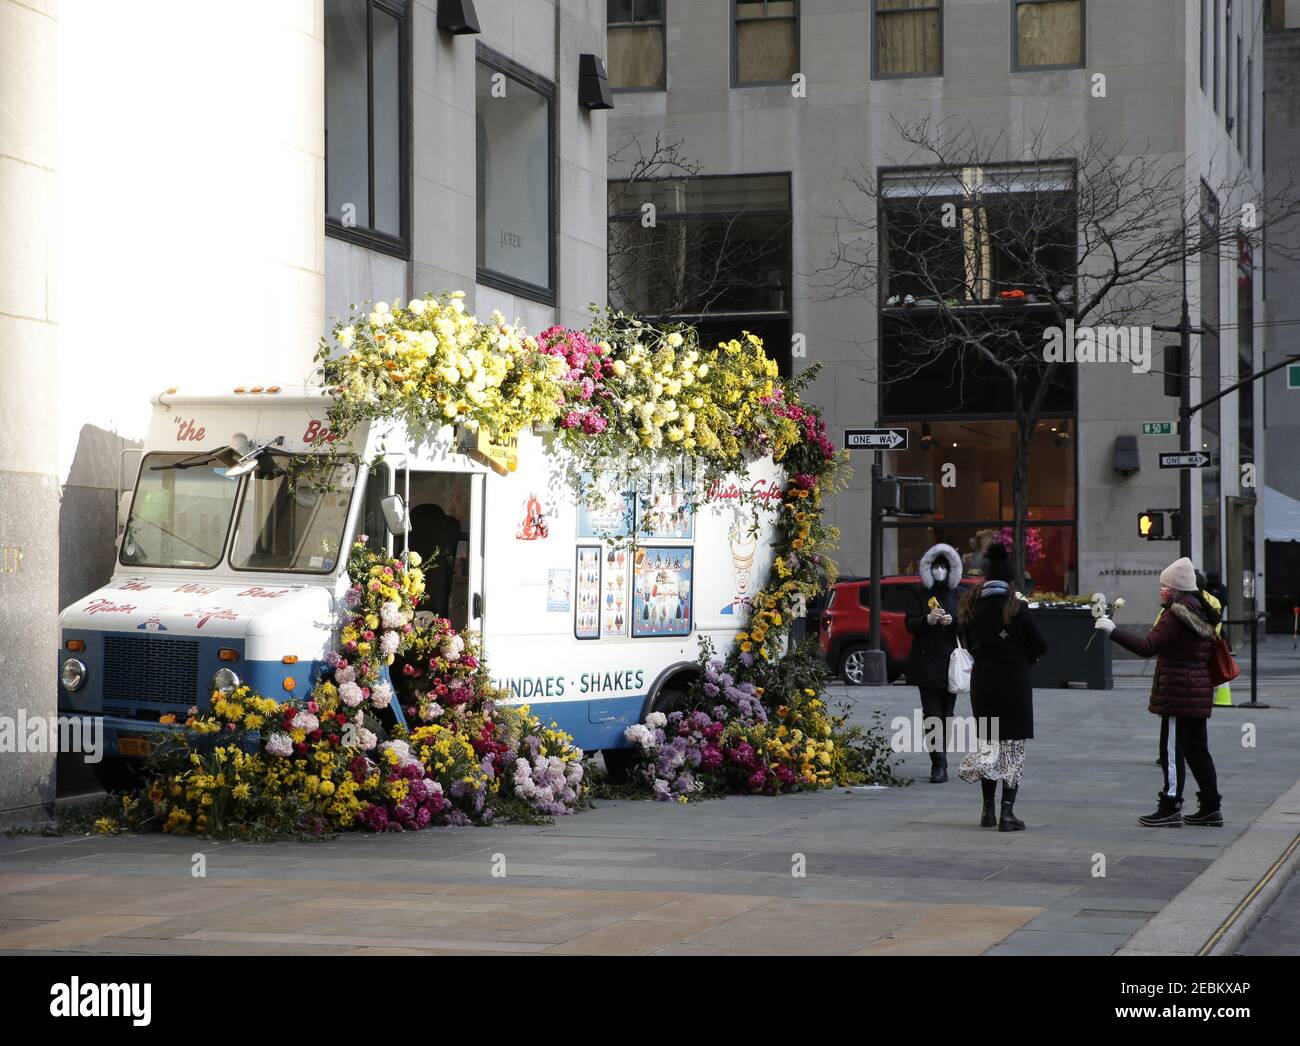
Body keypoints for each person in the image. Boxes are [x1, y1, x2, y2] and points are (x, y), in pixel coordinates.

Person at [1095, 557, 1222, 827]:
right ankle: (1211, 806)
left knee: (1172, 752)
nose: (1161, 590)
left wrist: (1113, 631)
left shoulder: (1176, 613)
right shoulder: (1200, 607)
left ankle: (1170, 804)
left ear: (1175, 588)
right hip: (1197, 690)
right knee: (1198, 750)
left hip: (1179, 693)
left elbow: (1147, 646)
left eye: (1164, 585)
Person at [957, 542, 1048, 831]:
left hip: (983, 683)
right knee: (1013, 749)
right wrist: (1024, 655)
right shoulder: (1017, 608)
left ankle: (987, 811)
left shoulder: (972, 606)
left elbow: (968, 644)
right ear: (1010, 582)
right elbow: (1041, 645)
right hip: (1014, 684)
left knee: (989, 746)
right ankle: (1008, 813)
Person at [904, 543, 964, 783]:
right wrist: (927, 620)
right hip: (926, 661)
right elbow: (909, 624)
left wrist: (953, 621)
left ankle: (942, 758)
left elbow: (968, 625)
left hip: (950, 663)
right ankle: (938, 764)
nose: (940, 570)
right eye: (936, 566)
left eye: (944, 566)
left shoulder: (958, 594)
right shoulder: (917, 593)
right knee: (932, 714)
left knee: (947, 714)